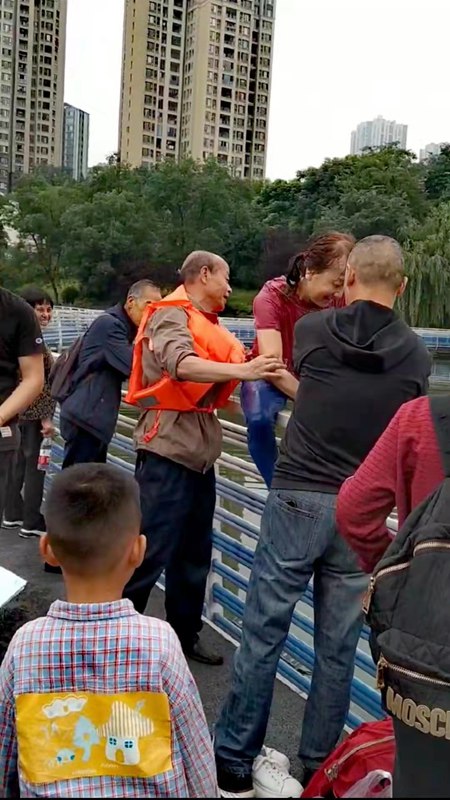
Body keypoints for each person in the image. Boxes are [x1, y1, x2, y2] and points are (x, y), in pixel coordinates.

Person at [214, 235, 432, 799]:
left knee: (263, 631)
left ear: (349, 278)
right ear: (403, 286)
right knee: (337, 649)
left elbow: (302, 383)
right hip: (363, 512)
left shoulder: (312, 330)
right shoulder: (416, 356)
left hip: (297, 495)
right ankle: (319, 768)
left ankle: (233, 764)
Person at [0, 463, 218, 798]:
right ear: (138, 551)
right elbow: (196, 752)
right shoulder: (159, 643)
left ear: (48, 550)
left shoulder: (25, 646)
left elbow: (5, 747)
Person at [124, 250, 284, 667]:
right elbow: (180, 365)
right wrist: (245, 372)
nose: (230, 288)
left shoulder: (207, 323)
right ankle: (117, 637)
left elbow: (213, 391)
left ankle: (183, 636)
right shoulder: (170, 314)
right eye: (226, 278)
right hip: (167, 449)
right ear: (205, 274)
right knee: (149, 548)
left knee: (194, 552)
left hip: (199, 454)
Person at [242, 232, 355, 487]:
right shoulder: (271, 297)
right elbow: (272, 366)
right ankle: (277, 487)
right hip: (269, 376)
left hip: (313, 374)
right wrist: (313, 400)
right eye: (336, 283)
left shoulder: (340, 301)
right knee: (259, 420)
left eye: (344, 285)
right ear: (310, 271)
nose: (338, 293)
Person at [336, 394, 445, 573]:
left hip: (426, 577)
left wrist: (392, 561)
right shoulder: (413, 385)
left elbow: (354, 510)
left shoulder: (420, 417)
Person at [60, 279, 161, 468]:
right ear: (131, 302)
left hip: (91, 417)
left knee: (90, 479)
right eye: (149, 306)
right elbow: (135, 367)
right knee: (79, 480)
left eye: (157, 309)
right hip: (85, 418)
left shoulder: (122, 327)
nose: (152, 313)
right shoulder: (110, 325)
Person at [3, 288, 55, 538]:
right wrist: (46, 417)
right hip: (31, 415)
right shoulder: (33, 343)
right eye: (40, 309)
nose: (45, 315)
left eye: (49, 309)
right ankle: (30, 519)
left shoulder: (20, 335)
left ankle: (12, 513)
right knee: (35, 467)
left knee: (18, 465)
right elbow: (37, 383)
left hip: (16, 414)